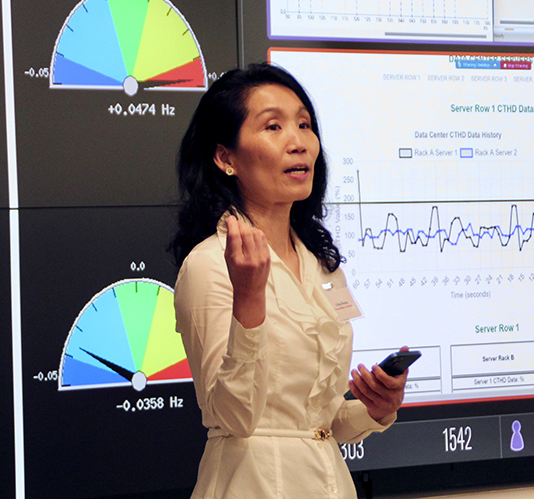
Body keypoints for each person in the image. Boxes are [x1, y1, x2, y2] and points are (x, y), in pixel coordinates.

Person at [170, 63, 408, 499]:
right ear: (225, 158)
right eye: (273, 127)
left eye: (304, 124)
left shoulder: (322, 264)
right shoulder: (209, 264)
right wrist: (248, 301)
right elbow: (233, 416)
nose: (298, 142)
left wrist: (376, 409)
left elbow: (317, 421)